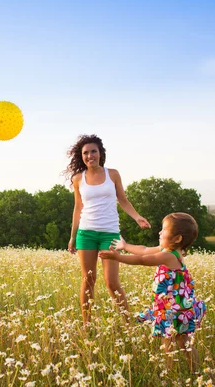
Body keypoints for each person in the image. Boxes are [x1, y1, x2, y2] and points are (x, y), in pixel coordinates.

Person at [99, 212, 206, 373]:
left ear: (177, 239)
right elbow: (144, 250)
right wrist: (125, 246)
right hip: (177, 307)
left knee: (170, 341)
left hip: (174, 309)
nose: (159, 232)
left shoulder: (169, 255)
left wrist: (118, 258)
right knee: (185, 342)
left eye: (164, 230)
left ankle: (172, 372)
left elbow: (143, 260)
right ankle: (195, 371)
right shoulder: (168, 251)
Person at [65, 134, 150, 326]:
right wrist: (72, 237)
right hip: (86, 234)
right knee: (88, 280)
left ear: (100, 153)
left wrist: (137, 217)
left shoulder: (113, 174)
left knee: (111, 282)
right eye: (85, 153)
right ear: (81, 156)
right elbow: (77, 209)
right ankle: (87, 325)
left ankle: (128, 324)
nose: (90, 156)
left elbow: (123, 200)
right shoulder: (78, 179)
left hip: (110, 233)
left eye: (93, 151)